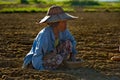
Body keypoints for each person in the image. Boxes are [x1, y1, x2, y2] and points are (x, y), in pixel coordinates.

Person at [22, 5, 78, 70]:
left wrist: (72, 56)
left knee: (68, 44)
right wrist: (41, 69)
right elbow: (37, 55)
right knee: (58, 58)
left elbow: (72, 41)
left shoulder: (64, 32)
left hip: (53, 55)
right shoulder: (44, 35)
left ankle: (57, 63)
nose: (66, 24)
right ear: (55, 23)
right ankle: (45, 67)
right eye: (63, 22)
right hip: (36, 61)